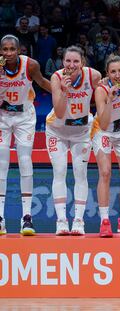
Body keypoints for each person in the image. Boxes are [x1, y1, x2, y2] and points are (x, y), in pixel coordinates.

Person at [46, 45, 101, 235]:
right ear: (63, 62)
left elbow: (102, 96)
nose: (71, 64)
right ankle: (61, 221)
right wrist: (65, 91)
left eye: (76, 61)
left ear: (83, 63)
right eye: (68, 61)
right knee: (59, 171)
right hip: (57, 130)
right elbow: (60, 112)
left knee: (80, 173)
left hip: (82, 132)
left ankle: (79, 221)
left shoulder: (93, 76)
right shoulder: (56, 77)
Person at [0, 34, 51, 235]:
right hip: (2, 117)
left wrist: (62, 89)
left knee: (25, 161)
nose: (9, 53)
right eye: (4, 49)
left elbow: (43, 83)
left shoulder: (30, 65)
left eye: (12, 49)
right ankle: (1, 218)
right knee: (2, 163)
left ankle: (27, 218)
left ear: (20, 49)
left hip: (24, 116)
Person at [92, 54, 120, 238]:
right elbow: (103, 123)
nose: (117, 75)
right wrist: (110, 99)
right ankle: (105, 221)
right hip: (103, 131)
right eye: (113, 72)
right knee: (105, 172)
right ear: (107, 74)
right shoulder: (101, 90)